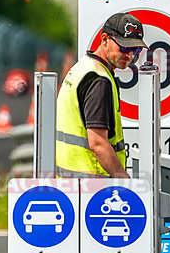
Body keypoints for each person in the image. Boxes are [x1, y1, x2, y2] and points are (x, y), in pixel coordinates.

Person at [55, 12, 147, 178]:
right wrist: (123, 180)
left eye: (136, 49)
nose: (130, 55)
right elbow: (98, 143)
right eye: (124, 47)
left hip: (72, 182)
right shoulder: (99, 80)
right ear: (104, 39)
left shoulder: (83, 66)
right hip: (93, 183)